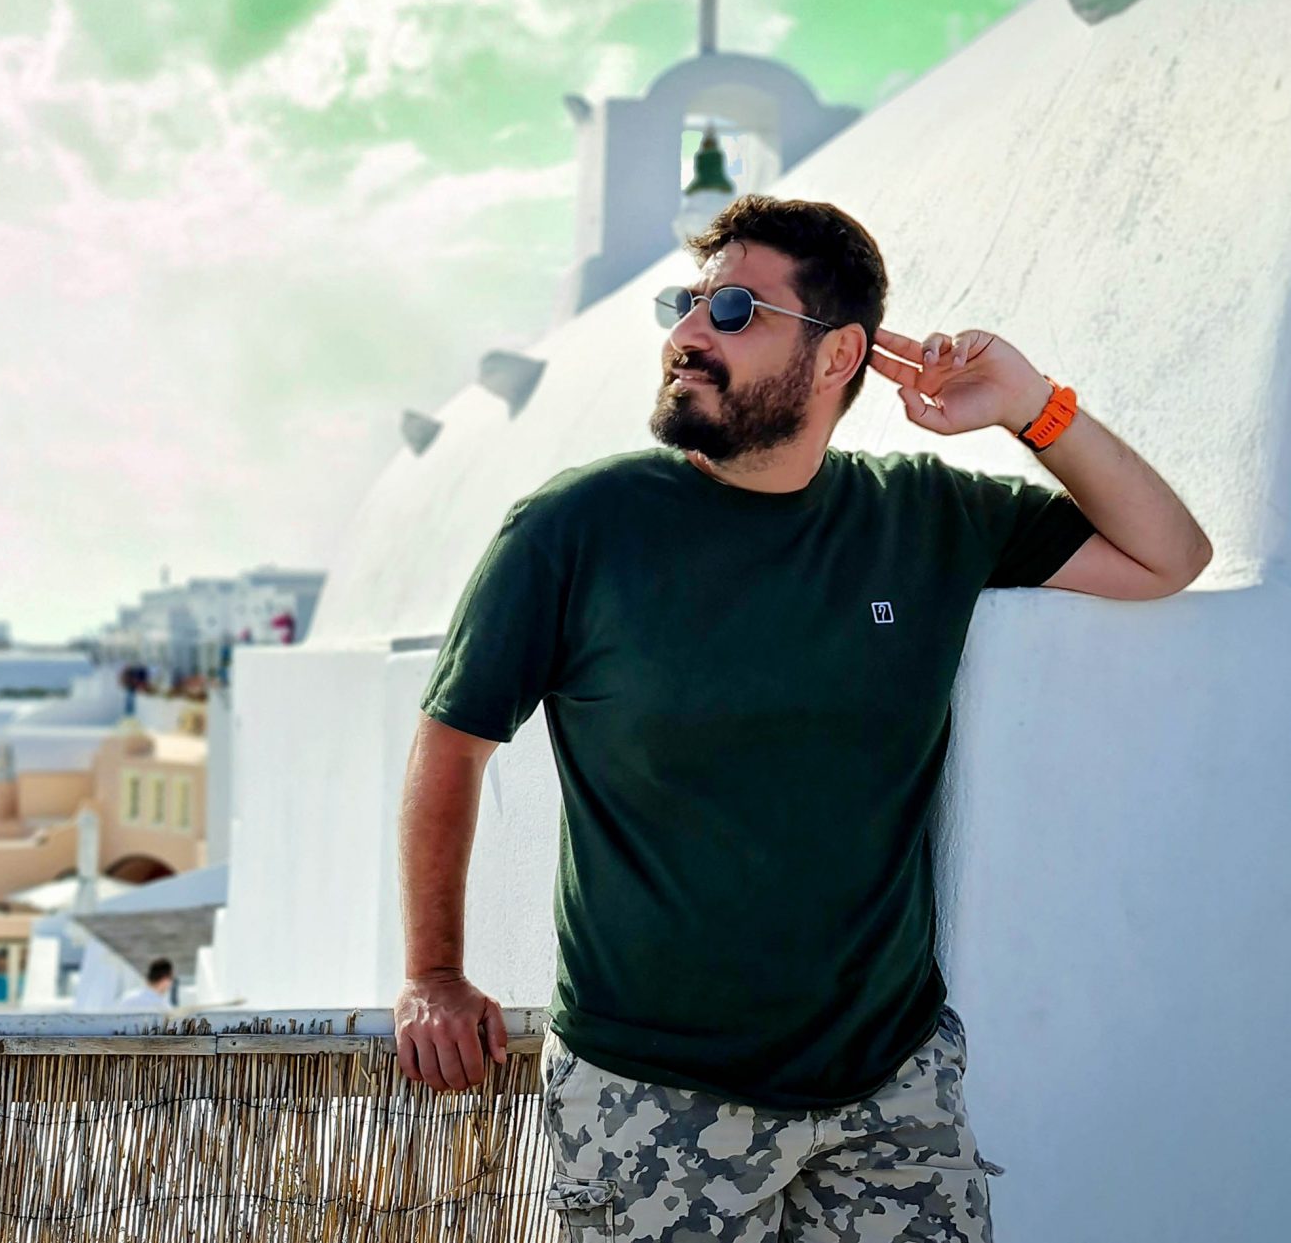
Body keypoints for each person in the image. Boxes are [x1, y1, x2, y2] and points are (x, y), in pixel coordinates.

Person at [393, 196, 1212, 1242]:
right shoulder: (575, 528)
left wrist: (1031, 406)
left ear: (839, 356)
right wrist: (432, 974)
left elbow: (1167, 556)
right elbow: (451, 741)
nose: (689, 333)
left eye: (734, 309)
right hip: (651, 1100)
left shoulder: (923, 518)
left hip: (891, 1091)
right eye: (688, 304)